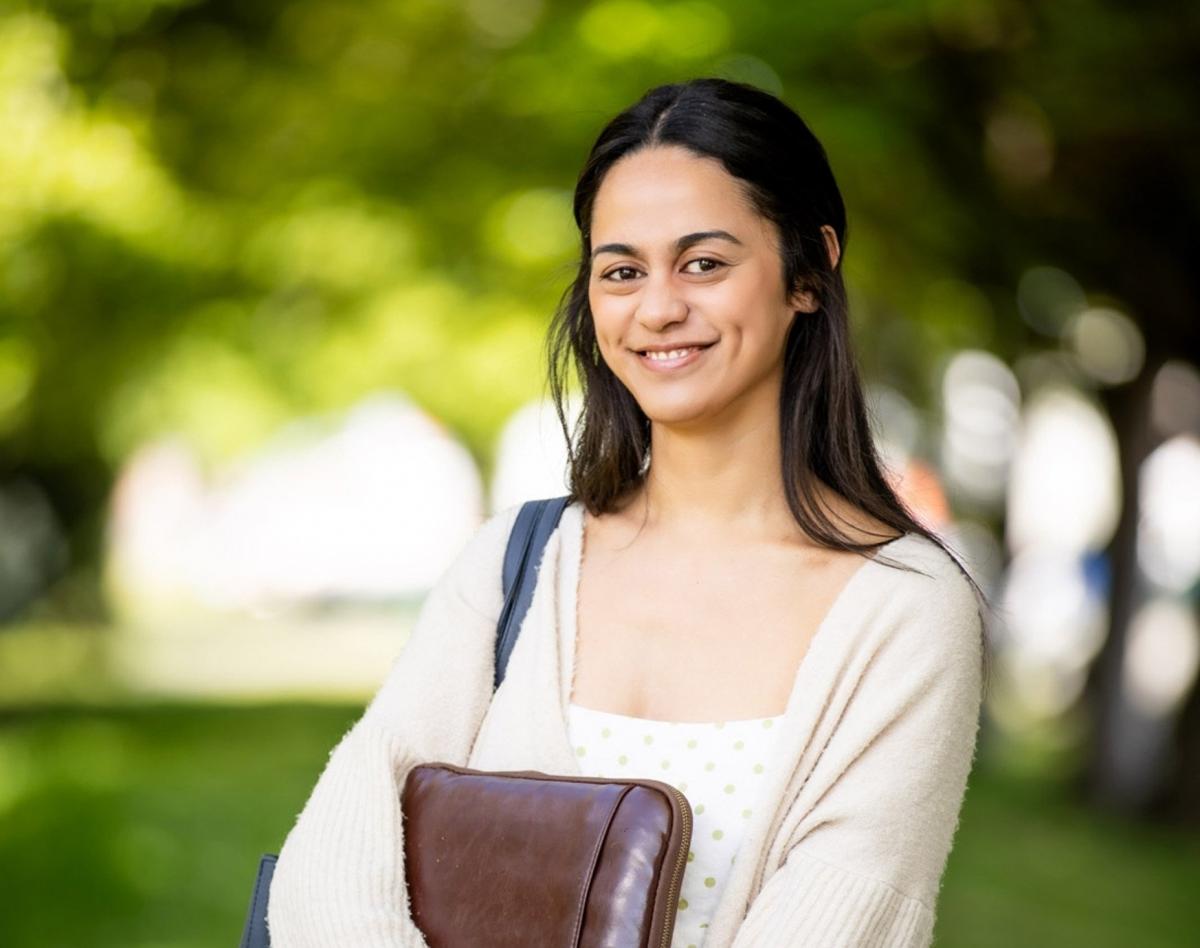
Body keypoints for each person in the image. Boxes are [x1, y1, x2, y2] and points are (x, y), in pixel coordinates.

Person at [267, 77, 991, 948]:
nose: (657, 309)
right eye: (621, 271)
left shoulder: (904, 607)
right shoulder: (516, 564)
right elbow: (340, 848)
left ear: (808, 271)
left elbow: (841, 912)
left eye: (705, 263)